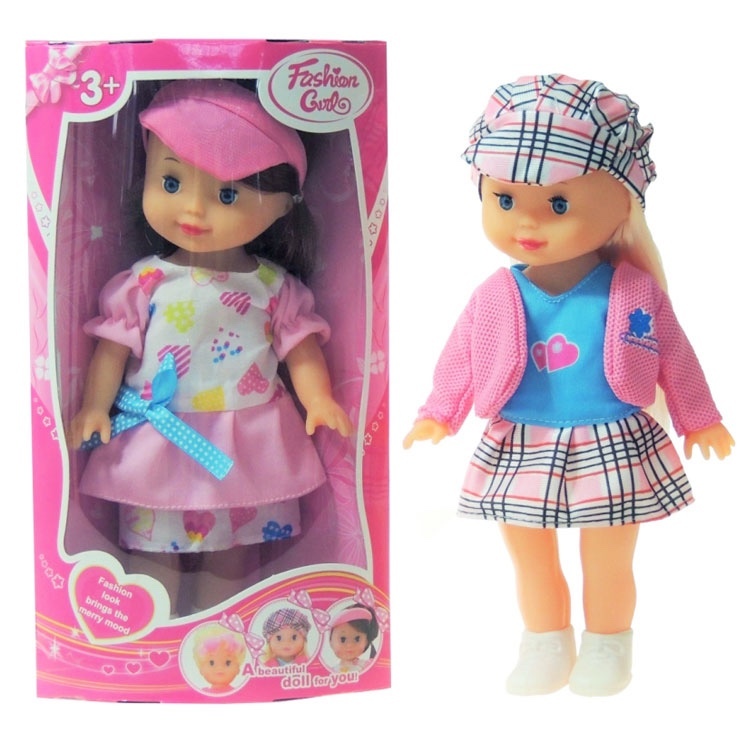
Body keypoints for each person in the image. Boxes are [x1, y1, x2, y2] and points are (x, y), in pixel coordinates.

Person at [404, 74, 733, 696]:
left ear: (623, 205)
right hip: (520, 441)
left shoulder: (632, 290)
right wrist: (438, 412)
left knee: (607, 559)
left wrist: (700, 418)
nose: (526, 223)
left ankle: (608, 645)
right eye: (504, 200)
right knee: (530, 558)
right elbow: (461, 356)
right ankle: (545, 642)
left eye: (558, 205)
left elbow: (676, 357)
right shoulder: (496, 294)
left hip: (612, 437)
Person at [69, 79, 352, 616]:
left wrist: (318, 399)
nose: (193, 211)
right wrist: (93, 407)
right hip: (159, 440)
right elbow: (112, 349)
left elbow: (300, 348)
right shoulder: (145, 283)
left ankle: (217, 636)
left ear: (282, 207)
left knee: (233, 559)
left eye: (227, 195)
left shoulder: (272, 287)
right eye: (171, 182)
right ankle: (155, 634)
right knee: (153, 553)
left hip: (247, 444)